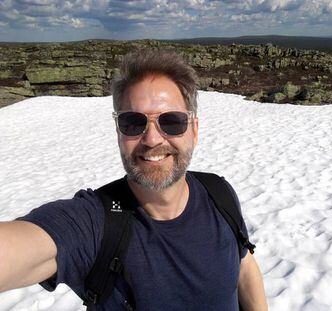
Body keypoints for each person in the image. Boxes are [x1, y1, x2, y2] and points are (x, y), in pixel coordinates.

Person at [0, 49, 267, 310]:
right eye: (132, 123)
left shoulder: (219, 194)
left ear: (194, 130)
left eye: (172, 121)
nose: (152, 139)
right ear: (118, 132)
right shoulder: (95, 224)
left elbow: (243, 264)